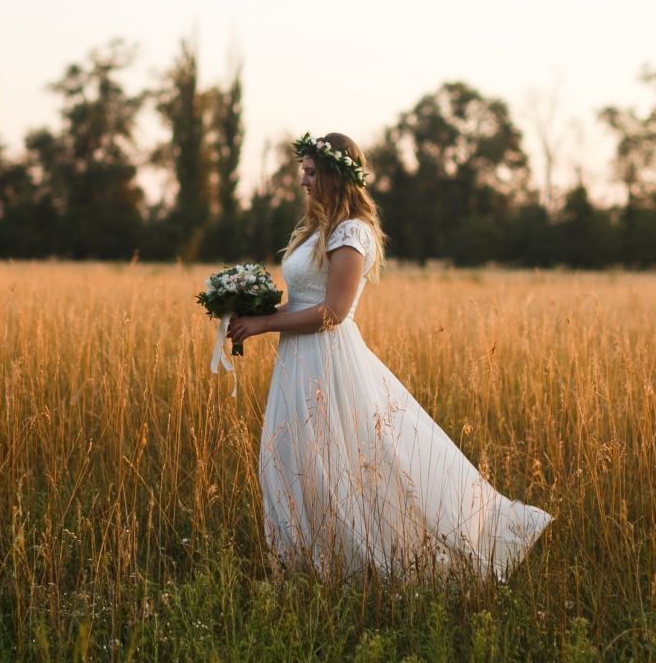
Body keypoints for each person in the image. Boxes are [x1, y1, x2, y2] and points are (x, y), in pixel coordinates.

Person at [227, 132, 551, 581]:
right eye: (302, 170)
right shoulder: (315, 231)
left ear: (335, 176)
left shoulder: (351, 232)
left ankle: (358, 559)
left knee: (348, 460)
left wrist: (265, 324)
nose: (302, 180)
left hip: (329, 360)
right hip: (296, 360)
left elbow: (334, 312)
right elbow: (302, 303)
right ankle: (304, 559)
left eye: (310, 171)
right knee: (292, 455)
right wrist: (252, 314)